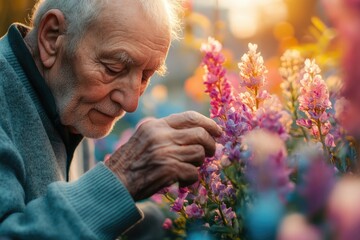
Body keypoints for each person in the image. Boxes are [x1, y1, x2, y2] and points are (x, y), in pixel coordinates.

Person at [0, 0, 222, 239]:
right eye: (114, 68)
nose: (131, 103)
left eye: (146, 76)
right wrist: (123, 178)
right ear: (52, 37)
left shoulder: (70, 101)